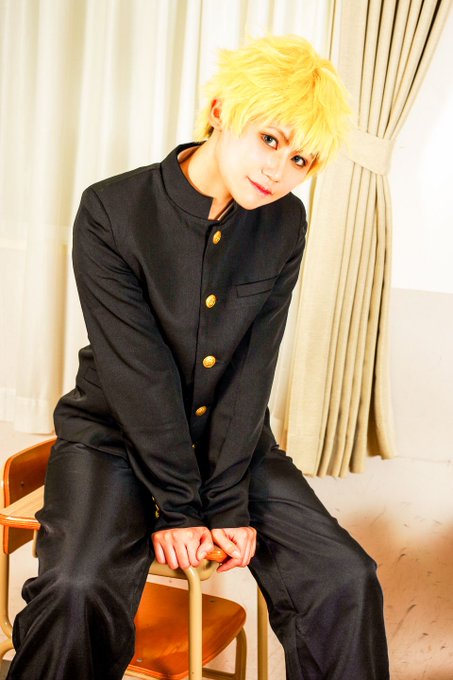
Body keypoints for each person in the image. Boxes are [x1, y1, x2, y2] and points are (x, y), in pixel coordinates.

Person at [7, 35, 389, 679]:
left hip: (233, 447)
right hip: (112, 439)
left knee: (344, 578)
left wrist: (228, 503)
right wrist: (182, 508)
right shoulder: (111, 209)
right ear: (220, 110)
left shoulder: (284, 224)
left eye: (300, 159)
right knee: (75, 591)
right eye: (270, 139)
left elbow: (252, 369)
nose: (279, 170)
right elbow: (138, 374)